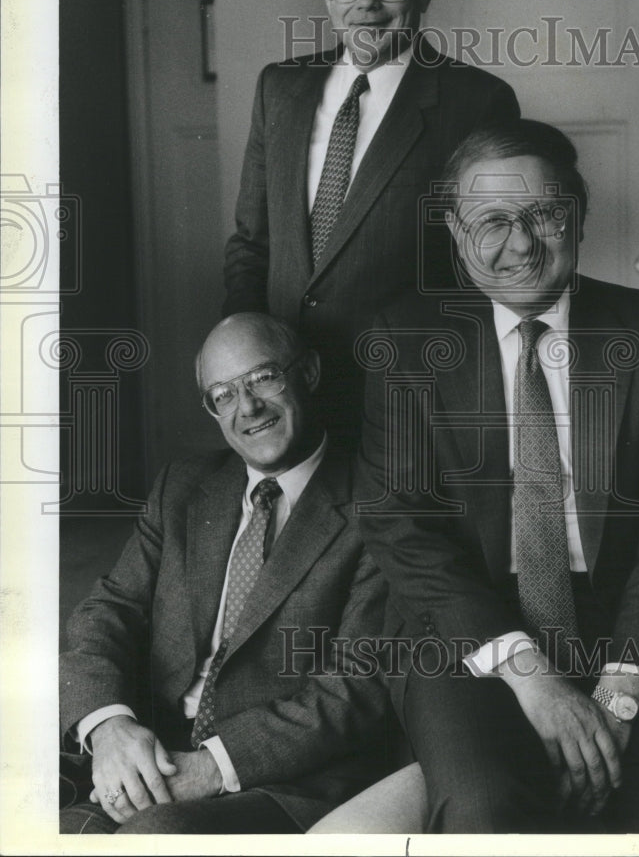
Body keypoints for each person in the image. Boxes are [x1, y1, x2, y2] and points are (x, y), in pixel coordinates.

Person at [349, 119, 639, 833]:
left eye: (545, 215)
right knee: (485, 809)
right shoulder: (402, 339)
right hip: (466, 629)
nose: (523, 243)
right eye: (493, 221)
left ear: (579, 215)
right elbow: (398, 524)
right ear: (452, 228)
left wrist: (619, 693)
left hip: (623, 621)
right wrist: (533, 680)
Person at [59, 313, 390, 834]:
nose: (248, 408)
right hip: (148, 752)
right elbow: (107, 611)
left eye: (263, 378)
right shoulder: (184, 486)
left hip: (277, 781)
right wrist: (110, 727)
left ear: (307, 372)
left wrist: (214, 766)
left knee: (148, 840)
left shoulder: (376, 505)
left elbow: (358, 687)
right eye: (224, 394)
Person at [222, 0, 520, 448]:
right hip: (283, 397)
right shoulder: (279, 88)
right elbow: (251, 244)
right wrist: (245, 362)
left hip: (407, 395)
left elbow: (485, 267)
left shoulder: (477, 102)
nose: (367, 4)